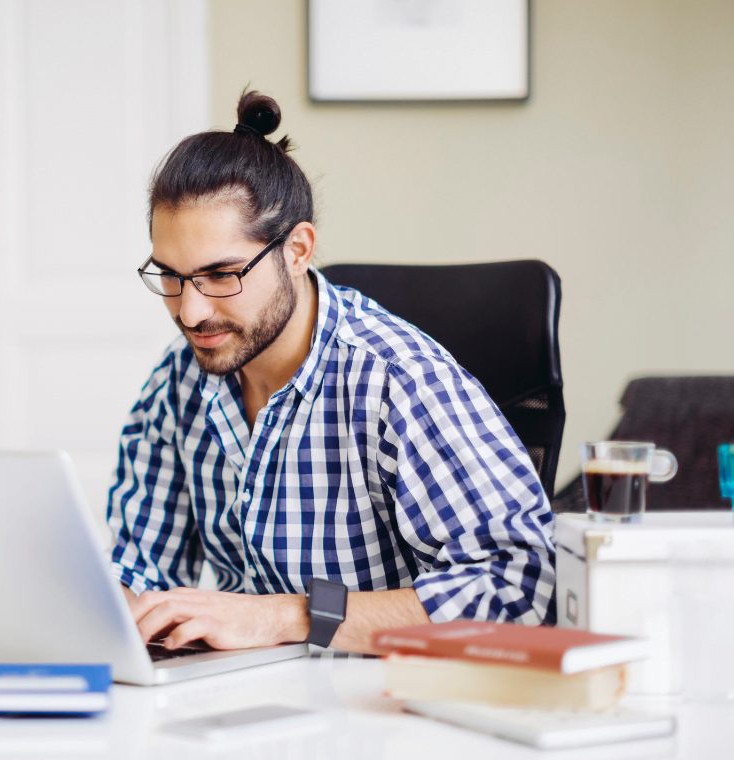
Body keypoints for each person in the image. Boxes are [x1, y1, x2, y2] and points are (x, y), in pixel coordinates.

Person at [107, 90, 555, 655]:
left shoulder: (399, 379)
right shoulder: (177, 380)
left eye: (221, 274)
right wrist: (108, 606)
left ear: (297, 250)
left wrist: (285, 617)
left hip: (382, 706)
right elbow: (139, 569)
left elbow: (515, 589)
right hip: (237, 699)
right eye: (170, 276)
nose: (190, 312)